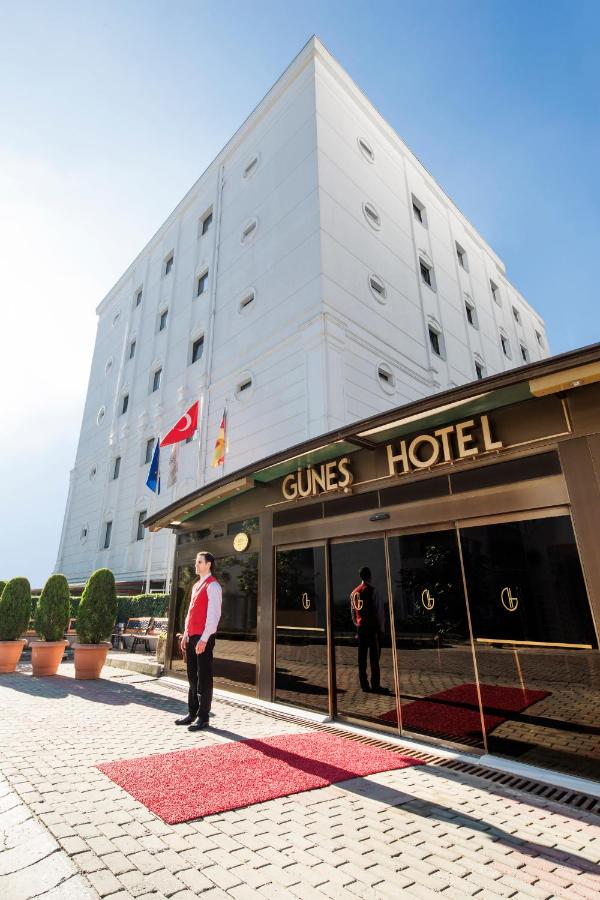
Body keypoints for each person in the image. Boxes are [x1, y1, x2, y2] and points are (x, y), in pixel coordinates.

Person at [175, 551, 222, 731]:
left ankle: (203, 718)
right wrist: (186, 634)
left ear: (208, 564)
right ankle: (192, 713)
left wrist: (204, 639)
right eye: (196, 562)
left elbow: (214, 616)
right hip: (192, 637)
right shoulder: (196, 585)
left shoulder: (213, 586)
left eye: (199, 562)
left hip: (204, 638)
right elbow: (190, 612)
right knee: (192, 677)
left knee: (204, 678)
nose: (196, 564)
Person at [350, 566, 387, 694]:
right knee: (374, 658)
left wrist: (358, 624)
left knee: (362, 657)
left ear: (360, 576)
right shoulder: (373, 591)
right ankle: (375, 685)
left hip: (361, 628)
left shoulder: (354, 593)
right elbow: (380, 612)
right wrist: (382, 629)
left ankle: (364, 684)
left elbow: (353, 613)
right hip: (372, 628)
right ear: (370, 575)